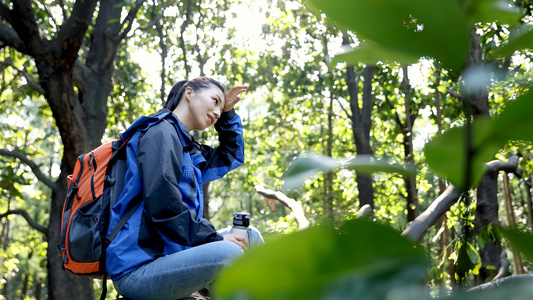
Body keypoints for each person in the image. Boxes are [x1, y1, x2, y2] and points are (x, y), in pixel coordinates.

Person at [105, 77, 263, 300]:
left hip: (173, 257)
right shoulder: (159, 132)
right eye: (215, 101)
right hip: (138, 269)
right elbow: (163, 206)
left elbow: (231, 156)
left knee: (251, 236)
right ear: (189, 93)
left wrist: (227, 113)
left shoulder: (188, 149)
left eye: (221, 106)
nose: (217, 112)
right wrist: (214, 240)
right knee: (229, 251)